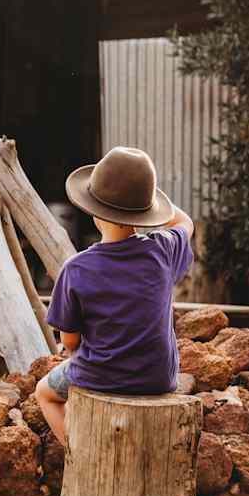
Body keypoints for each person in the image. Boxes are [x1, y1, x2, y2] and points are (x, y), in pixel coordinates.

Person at [34, 146, 194, 445]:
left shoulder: (77, 268)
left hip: (100, 375)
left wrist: (76, 352)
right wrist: (150, 196)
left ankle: (79, 452)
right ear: (147, 212)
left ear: (93, 212)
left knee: (44, 394)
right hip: (159, 377)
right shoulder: (163, 251)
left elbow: (69, 341)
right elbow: (185, 224)